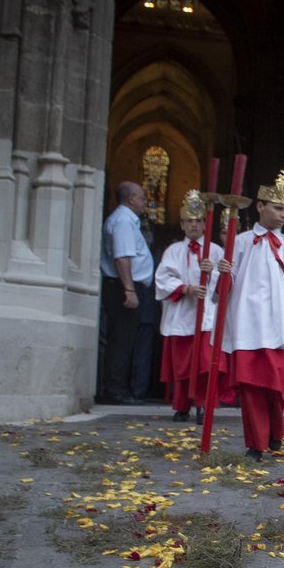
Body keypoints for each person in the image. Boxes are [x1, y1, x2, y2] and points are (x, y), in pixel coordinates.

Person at [221, 168, 284, 461]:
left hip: (282, 328)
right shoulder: (240, 242)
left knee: (280, 389)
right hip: (248, 327)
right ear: (260, 206)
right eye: (277, 207)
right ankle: (255, 443)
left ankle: (275, 431)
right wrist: (222, 275)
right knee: (251, 389)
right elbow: (224, 287)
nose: (283, 214)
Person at [154, 190, 228, 423]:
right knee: (183, 366)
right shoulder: (173, 251)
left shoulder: (216, 251)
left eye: (199, 220)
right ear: (182, 224)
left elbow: (228, 280)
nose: (194, 225)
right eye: (189, 221)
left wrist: (212, 272)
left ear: (205, 223)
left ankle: (204, 406)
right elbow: (163, 279)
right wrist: (187, 289)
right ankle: (182, 406)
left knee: (206, 363)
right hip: (182, 315)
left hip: (207, 316)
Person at [98, 181, 154, 404]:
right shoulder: (123, 220)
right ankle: (115, 389)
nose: (144, 202)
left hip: (125, 285)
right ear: (131, 199)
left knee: (123, 339)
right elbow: (122, 256)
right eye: (142, 198)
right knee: (121, 340)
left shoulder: (127, 220)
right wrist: (129, 289)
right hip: (123, 287)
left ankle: (116, 386)